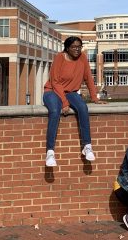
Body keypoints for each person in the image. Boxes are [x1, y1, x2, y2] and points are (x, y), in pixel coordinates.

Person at [43, 36, 105, 166]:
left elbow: (88, 77)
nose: (77, 49)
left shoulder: (82, 58)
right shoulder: (60, 57)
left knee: (83, 108)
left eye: (79, 47)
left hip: (71, 92)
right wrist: (64, 102)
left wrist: (95, 98)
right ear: (67, 48)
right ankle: (50, 152)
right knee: (55, 111)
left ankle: (87, 146)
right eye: (74, 47)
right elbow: (55, 81)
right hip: (52, 91)